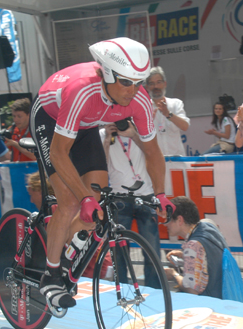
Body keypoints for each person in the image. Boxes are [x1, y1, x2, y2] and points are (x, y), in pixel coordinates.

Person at [30, 37, 174, 309]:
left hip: (86, 123)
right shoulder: (81, 90)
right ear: (107, 74)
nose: (133, 90)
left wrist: (161, 194)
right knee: (73, 200)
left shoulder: (139, 99)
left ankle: (61, 249)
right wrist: (82, 197)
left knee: (97, 204)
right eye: (126, 82)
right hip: (51, 117)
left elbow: (153, 152)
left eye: (138, 82)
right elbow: (60, 152)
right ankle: (50, 274)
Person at [100, 122, 162, 288]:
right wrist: (107, 140)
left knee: (152, 250)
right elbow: (101, 167)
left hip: (145, 194)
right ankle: (123, 289)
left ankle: (155, 291)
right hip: (119, 197)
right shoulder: (103, 135)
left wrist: (134, 135)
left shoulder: (142, 132)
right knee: (119, 251)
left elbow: (154, 154)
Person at [163, 196, 226, 299]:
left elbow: (192, 290)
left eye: (168, 219)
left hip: (210, 301)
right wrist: (185, 256)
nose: (166, 224)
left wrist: (173, 274)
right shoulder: (208, 225)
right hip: (222, 293)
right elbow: (207, 258)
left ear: (180, 220)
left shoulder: (193, 246)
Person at [145, 67, 190, 156]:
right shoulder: (144, 108)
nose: (156, 87)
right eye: (152, 83)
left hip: (177, 161)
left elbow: (185, 126)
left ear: (165, 84)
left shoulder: (176, 104)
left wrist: (168, 114)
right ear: (147, 87)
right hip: (156, 163)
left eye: (159, 82)